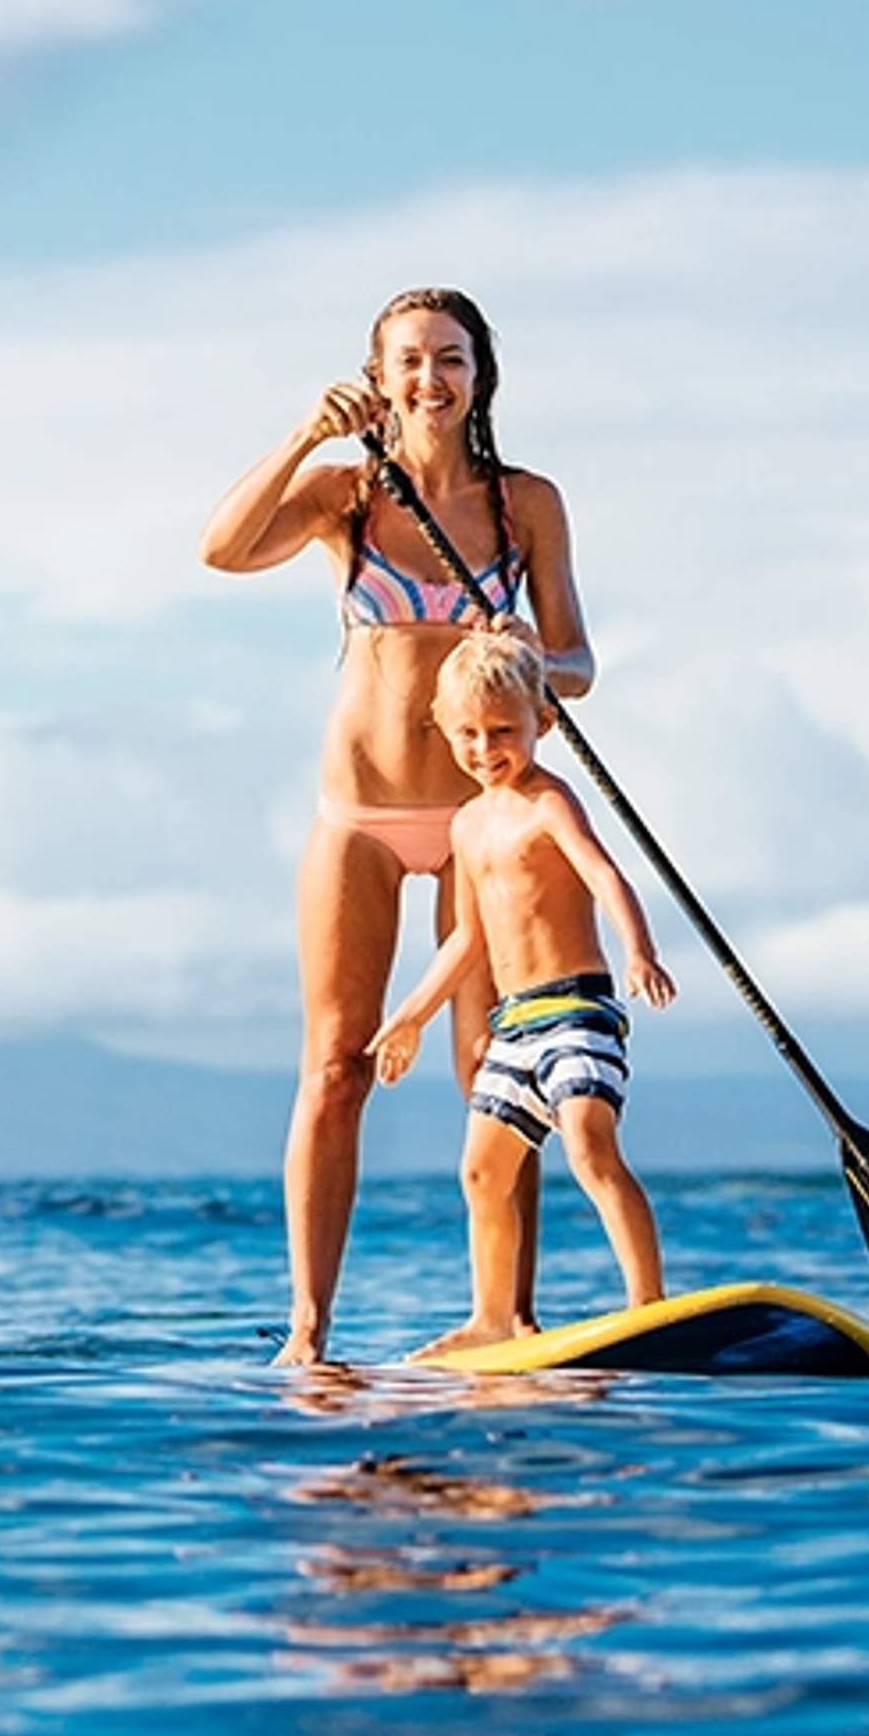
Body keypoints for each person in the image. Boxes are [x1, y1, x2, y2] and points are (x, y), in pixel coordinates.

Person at [198, 287, 594, 1365]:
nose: (431, 379)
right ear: (379, 378)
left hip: (487, 820)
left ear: (481, 375)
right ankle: (309, 1332)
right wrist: (302, 436)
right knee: (336, 1065)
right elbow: (222, 551)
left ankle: (505, 1318)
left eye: (451, 359)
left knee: (497, 1067)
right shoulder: (347, 493)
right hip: (362, 816)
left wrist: (531, 658)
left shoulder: (528, 507)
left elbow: (580, 665)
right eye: (410, 360)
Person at [368, 631, 674, 1354]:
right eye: (468, 733)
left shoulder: (549, 803)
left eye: (503, 730)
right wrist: (409, 1016)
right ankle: (491, 1317)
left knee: (590, 1145)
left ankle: (648, 1304)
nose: (485, 748)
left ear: (544, 719)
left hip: (576, 1008)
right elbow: (466, 940)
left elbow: (605, 875)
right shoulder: (468, 824)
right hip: (514, 1027)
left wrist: (639, 949)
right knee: (481, 1171)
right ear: (443, 727)